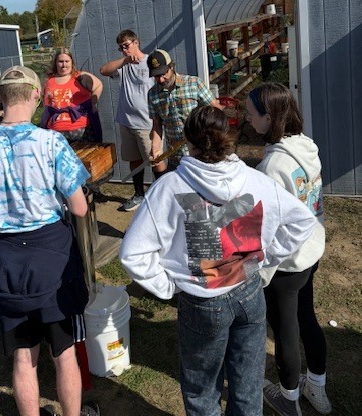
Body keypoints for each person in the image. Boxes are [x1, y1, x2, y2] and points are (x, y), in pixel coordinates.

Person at [120, 105, 317, 416]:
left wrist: (169, 286)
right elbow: (303, 221)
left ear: (187, 140)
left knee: (201, 388)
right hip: (249, 290)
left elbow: (133, 253)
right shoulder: (255, 178)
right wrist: (265, 257)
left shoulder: (169, 188)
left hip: (202, 300)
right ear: (229, 137)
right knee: (248, 382)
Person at [0, 65, 99, 416]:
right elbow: (80, 208)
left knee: (24, 356)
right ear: (37, 95)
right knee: (64, 351)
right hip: (53, 253)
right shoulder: (51, 141)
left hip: (8, 255)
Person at [246, 83, 331, 416]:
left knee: (285, 330)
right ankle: (317, 387)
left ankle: (289, 397)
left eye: (251, 115)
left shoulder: (272, 168)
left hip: (287, 263)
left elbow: (264, 226)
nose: (247, 121)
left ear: (269, 118)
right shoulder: (305, 147)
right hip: (310, 252)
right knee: (306, 318)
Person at [99, 30, 165, 212]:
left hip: (147, 123)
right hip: (126, 121)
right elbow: (103, 70)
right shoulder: (123, 65)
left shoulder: (150, 62)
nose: (124, 50)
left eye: (126, 46)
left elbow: (161, 85)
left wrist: (158, 121)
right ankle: (138, 194)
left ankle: (163, 197)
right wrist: (124, 60)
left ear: (136, 42)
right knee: (134, 160)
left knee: (155, 159)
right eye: (121, 48)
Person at [147, 49, 220, 172]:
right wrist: (155, 148)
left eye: (163, 74)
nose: (160, 80)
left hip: (201, 156)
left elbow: (217, 112)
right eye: (156, 76)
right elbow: (157, 125)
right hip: (176, 159)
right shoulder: (153, 94)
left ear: (172, 67)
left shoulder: (194, 84)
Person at [40, 49, 103, 143]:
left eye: (67, 61)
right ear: (55, 63)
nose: (64, 65)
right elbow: (42, 97)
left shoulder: (80, 77)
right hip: (55, 131)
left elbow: (98, 85)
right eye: (61, 61)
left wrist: (93, 103)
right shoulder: (48, 80)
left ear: (71, 62)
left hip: (81, 129)